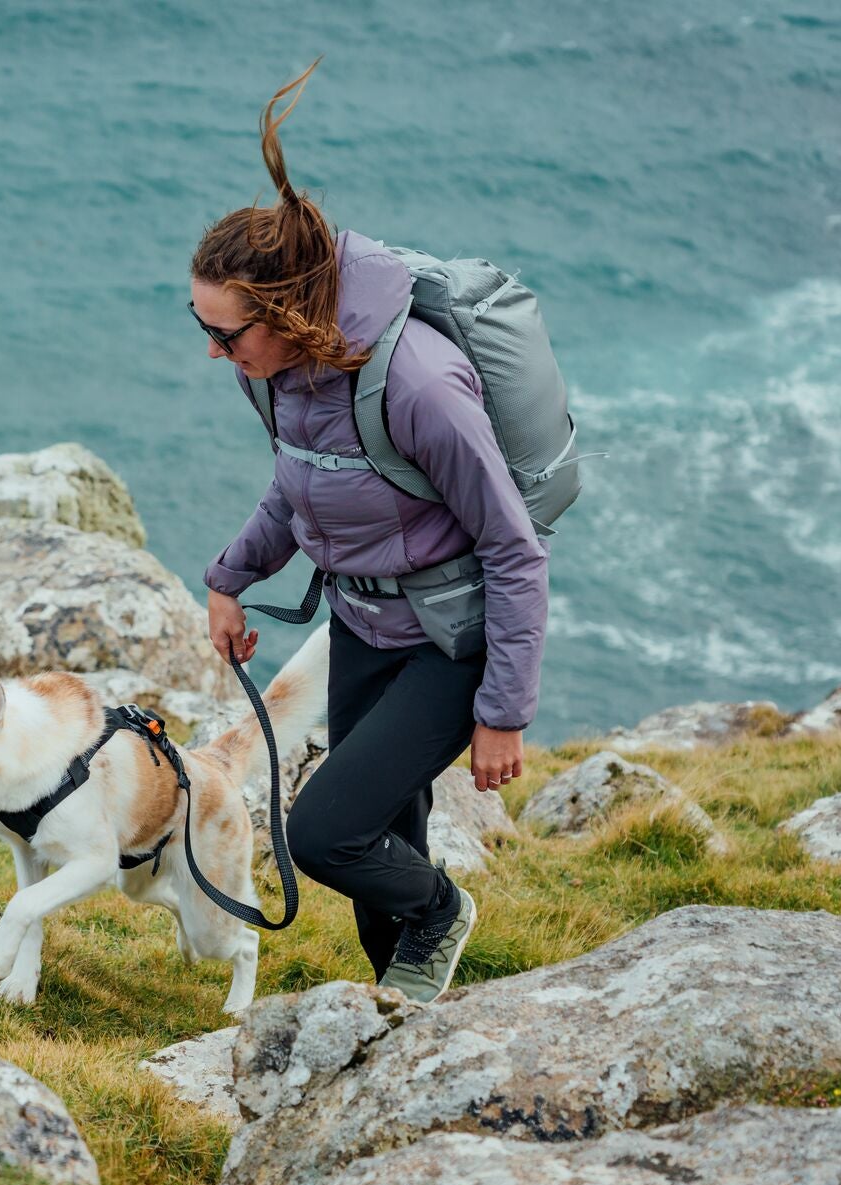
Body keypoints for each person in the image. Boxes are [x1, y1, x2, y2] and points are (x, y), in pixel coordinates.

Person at [189, 62, 549, 1004]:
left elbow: (513, 547)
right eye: (205, 330)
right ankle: (403, 1013)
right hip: (361, 626)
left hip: (447, 640)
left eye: (228, 335)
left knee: (323, 834)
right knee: (385, 841)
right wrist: (230, 579)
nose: (217, 353)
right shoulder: (272, 372)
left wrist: (502, 710)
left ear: (286, 315)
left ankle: (442, 914)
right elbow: (298, 485)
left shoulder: (421, 385)